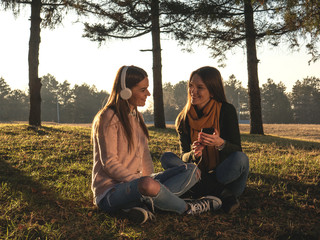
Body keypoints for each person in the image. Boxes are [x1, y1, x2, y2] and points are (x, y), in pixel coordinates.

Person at [91, 65, 222, 224]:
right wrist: (142, 183)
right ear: (126, 91)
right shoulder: (108, 117)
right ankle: (187, 208)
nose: (148, 93)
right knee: (147, 184)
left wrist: (149, 183)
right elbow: (109, 163)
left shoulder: (136, 116)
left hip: (138, 185)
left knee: (192, 170)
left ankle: (145, 204)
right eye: (143, 89)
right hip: (110, 193)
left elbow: (145, 157)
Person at [170, 66, 249, 214]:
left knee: (241, 159)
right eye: (191, 86)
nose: (193, 91)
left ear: (212, 91)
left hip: (224, 177)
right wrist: (194, 154)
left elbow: (237, 150)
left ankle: (202, 191)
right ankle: (219, 194)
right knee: (167, 158)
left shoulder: (226, 110)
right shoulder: (183, 118)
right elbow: (184, 157)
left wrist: (220, 143)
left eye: (200, 87)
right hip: (198, 174)